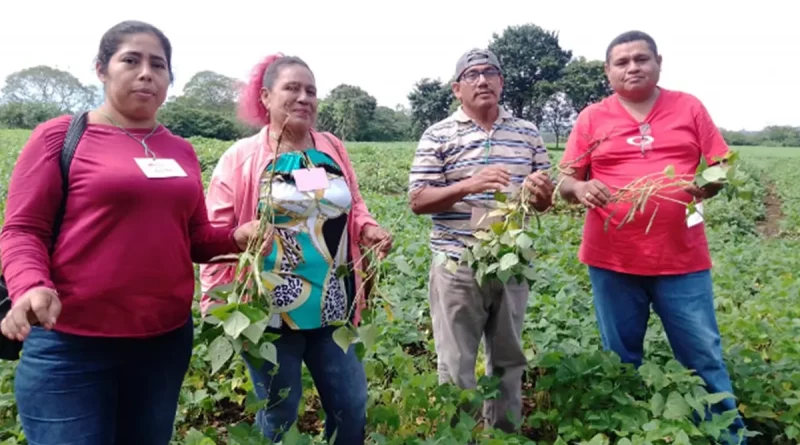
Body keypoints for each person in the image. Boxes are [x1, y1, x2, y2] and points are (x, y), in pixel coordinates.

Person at [0, 20, 260, 445]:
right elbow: (23, 229)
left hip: (163, 343)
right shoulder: (59, 137)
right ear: (101, 69)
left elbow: (193, 236)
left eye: (158, 65)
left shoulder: (180, 149)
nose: (146, 73)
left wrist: (234, 238)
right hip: (72, 344)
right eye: (131, 60)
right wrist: (30, 284)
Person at [557, 30, 747, 444]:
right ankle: (629, 431)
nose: (632, 67)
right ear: (608, 72)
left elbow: (722, 163)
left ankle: (729, 436)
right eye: (621, 62)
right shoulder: (592, 117)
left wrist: (709, 183)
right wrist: (581, 188)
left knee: (702, 355)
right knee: (620, 360)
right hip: (612, 261)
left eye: (641, 59)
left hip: (682, 259)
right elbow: (566, 179)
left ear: (658, 62)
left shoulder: (688, 107)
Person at [198, 53, 392, 445]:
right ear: (266, 97)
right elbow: (216, 234)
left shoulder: (331, 147)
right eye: (292, 88)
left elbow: (351, 203)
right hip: (267, 312)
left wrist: (368, 227)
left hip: (334, 304)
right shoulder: (241, 158)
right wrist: (216, 305)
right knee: (280, 409)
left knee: (351, 405)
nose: (304, 98)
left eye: (311, 91)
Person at [408, 48, 554, 433]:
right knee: (456, 364)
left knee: (509, 359)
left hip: (511, 261)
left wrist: (541, 194)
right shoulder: (438, 134)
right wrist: (469, 185)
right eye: (471, 75)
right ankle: (460, 437)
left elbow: (546, 202)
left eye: (490, 73)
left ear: (502, 82)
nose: (482, 80)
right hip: (456, 263)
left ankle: (503, 436)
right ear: (457, 89)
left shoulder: (527, 132)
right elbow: (417, 199)